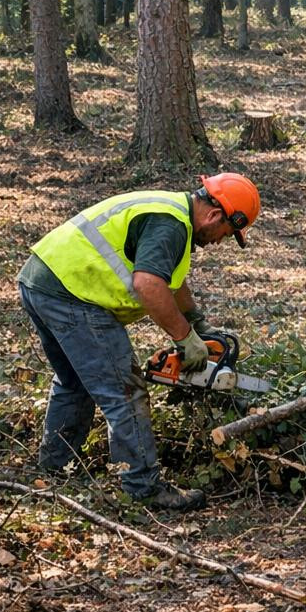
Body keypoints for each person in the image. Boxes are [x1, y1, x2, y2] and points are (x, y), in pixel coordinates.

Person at [17, 173, 262, 511]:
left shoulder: (173, 213)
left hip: (41, 281)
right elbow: (149, 284)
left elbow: (171, 281)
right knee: (125, 392)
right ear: (215, 215)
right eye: (227, 233)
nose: (221, 241)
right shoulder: (171, 225)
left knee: (74, 382)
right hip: (74, 295)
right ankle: (143, 487)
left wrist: (197, 324)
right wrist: (184, 338)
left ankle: (55, 468)